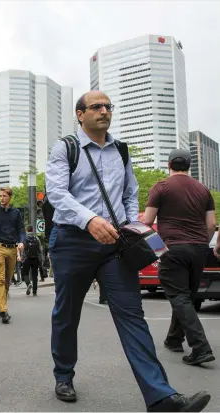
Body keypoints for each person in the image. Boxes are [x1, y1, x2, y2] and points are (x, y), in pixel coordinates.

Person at [46, 91, 210, 412]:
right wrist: (89, 219)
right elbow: (56, 193)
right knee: (66, 315)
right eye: (96, 107)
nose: (104, 111)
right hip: (72, 242)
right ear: (80, 114)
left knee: (133, 317)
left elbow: (130, 192)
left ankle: (161, 397)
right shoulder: (65, 148)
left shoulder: (121, 150)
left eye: (108, 107)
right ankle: (63, 374)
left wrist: (130, 224)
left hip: (115, 246)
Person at [141, 149, 216, 366]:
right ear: (189, 166)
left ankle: (200, 347)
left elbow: (146, 222)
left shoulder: (161, 186)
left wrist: (158, 248)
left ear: (169, 164)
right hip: (200, 248)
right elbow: (211, 225)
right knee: (187, 296)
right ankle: (174, 339)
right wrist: (202, 242)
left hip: (173, 247)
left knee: (180, 296)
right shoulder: (204, 190)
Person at [0, 188, 26, 324]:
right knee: (1, 279)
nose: (1, 198)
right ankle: (4, 310)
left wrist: (21, 242)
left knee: (8, 280)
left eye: (4, 196)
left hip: (13, 249)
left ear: (10, 197)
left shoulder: (16, 213)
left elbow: (22, 230)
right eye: (0, 196)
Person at [21, 225, 43, 297]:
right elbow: (40, 250)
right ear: (32, 230)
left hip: (27, 258)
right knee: (34, 275)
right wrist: (40, 259)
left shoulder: (24, 239)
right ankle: (34, 292)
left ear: (27, 230)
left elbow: (22, 249)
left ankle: (28, 284)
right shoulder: (36, 238)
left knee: (25, 273)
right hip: (35, 258)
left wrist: (22, 258)